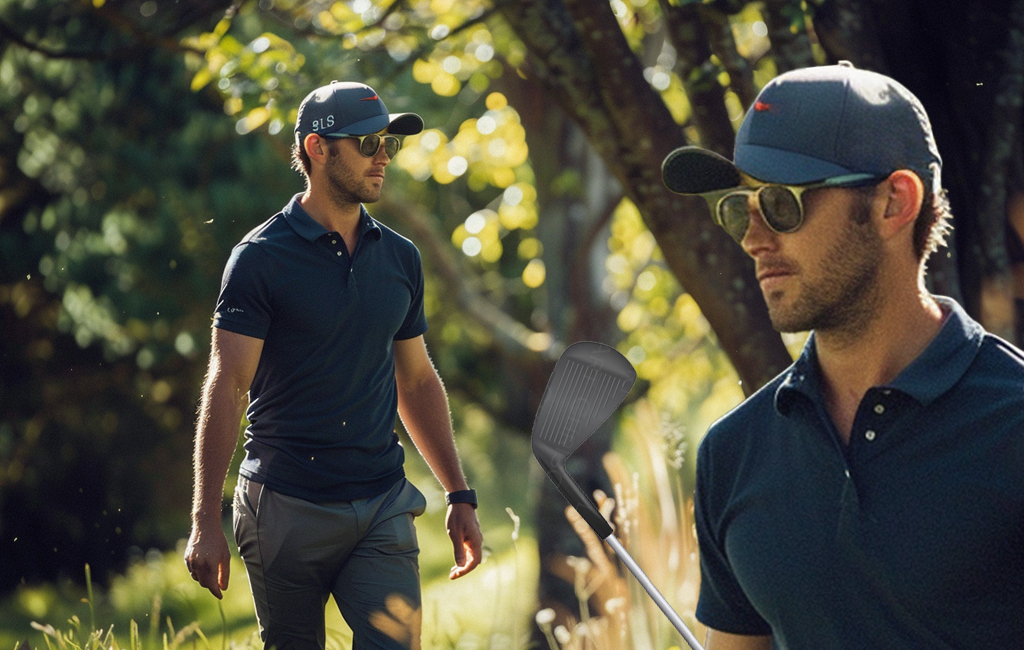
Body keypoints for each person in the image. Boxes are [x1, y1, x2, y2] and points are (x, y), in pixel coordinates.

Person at [662, 62, 1024, 649]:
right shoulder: (732, 453)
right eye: (739, 207)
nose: (754, 238)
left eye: (781, 203)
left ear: (893, 202)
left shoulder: (1013, 422)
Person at [183, 81, 483, 650]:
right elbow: (228, 386)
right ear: (318, 150)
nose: (383, 158)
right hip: (284, 509)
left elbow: (416, 382)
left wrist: (459, 493)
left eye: (389, 144)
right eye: (368, 143)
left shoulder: (400, 257)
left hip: (381, 507)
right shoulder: (259, 259)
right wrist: (204, 520)